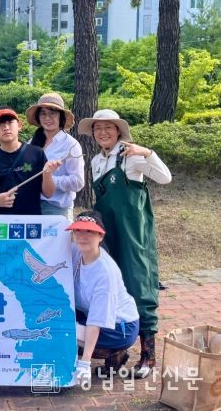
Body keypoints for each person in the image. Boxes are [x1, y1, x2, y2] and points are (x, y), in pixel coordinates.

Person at [78, 109, 172, 379]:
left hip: (132, 235)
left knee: (139, 288)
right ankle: (116, 354)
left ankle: (148, 356)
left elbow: (165, 177)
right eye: (97, 128)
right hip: (107, 235)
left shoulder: (131, 155)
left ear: (118, 130)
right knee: (112, 290)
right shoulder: (96, 160)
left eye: (108, 127)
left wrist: (147, 153)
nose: (102, 132)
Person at [68, 211, 140, 386]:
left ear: (100, 236)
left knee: (63, 331)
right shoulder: (76, 251)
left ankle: (115, 351)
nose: (82, 236)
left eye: (89, 231)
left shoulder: (105, 272)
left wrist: (85, 362)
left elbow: (96, 321)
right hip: (90, 315)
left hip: (120, 327)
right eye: (78, 230)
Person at [0, 107, 61, 215]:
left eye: (10, 122)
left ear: (19, 125)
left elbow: (49, 194)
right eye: (0, 124)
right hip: (0, 222)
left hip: (31, 221)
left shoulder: (37, 153)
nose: (6, 128)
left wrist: (47, 174)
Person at [25, 93, 84, 220]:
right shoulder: (32, 142)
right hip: (31, 205)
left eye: (52, 113)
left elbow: (78, 182)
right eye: (43, 113)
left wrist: (49, 179)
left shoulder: (71, 144)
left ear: (61, 116)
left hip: (56, 209)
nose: (47, 118)